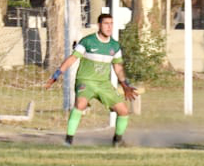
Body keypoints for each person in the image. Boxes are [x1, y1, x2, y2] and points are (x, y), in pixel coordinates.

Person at [45, 13, 138, 147]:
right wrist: (56, 75)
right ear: (99, 25)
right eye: (106, 24)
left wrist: (125, 85)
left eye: (111, 24)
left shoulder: (115, 46)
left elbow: (118, 68)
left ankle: (117, 141)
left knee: (123, 111)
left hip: (103, 83)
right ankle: (68, 141)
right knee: (80, 105)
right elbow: (72, 58)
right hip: (85, 81)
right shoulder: (87, 41)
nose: (109, 27)